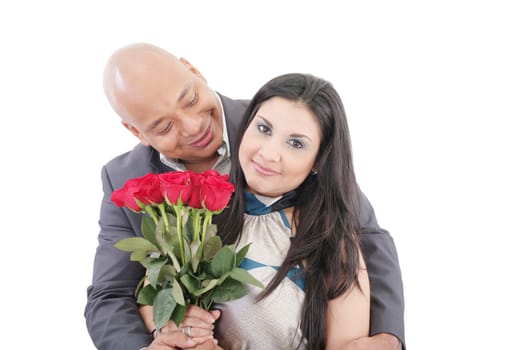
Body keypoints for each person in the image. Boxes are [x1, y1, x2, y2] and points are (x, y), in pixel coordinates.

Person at [85, 43, 405, 350]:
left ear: (192, 70)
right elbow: (112, 294)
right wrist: (156, 338)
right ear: (136, 132)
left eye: (190, 99)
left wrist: (387, 336)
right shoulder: (124, 178)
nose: (194, 126)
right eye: (164, 127)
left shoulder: (279, 121)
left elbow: (363, 233)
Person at [141, 72, 371, 349]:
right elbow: (149, 297)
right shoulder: (195, 218)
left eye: (296, 143)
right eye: (264, 129)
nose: (269, 153)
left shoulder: (333, 244)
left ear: (318, 161)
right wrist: (171, 329)